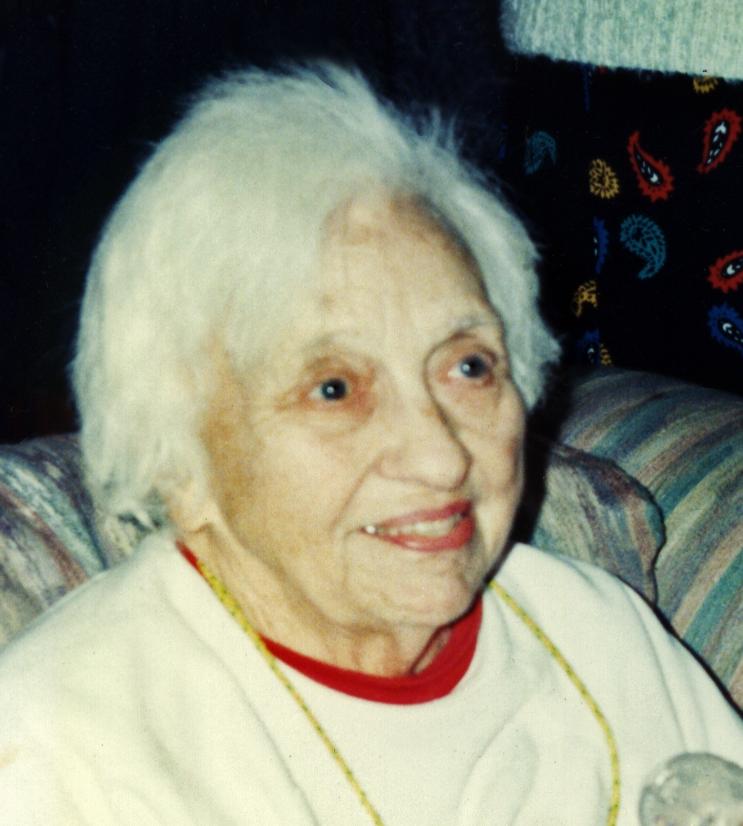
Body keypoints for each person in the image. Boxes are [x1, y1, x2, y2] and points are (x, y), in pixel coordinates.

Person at [0, 63, 740, 826]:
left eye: (468, 366)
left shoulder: (597, 635)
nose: (440, 456)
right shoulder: (65, 750)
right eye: (335, 388)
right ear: (175, 456)